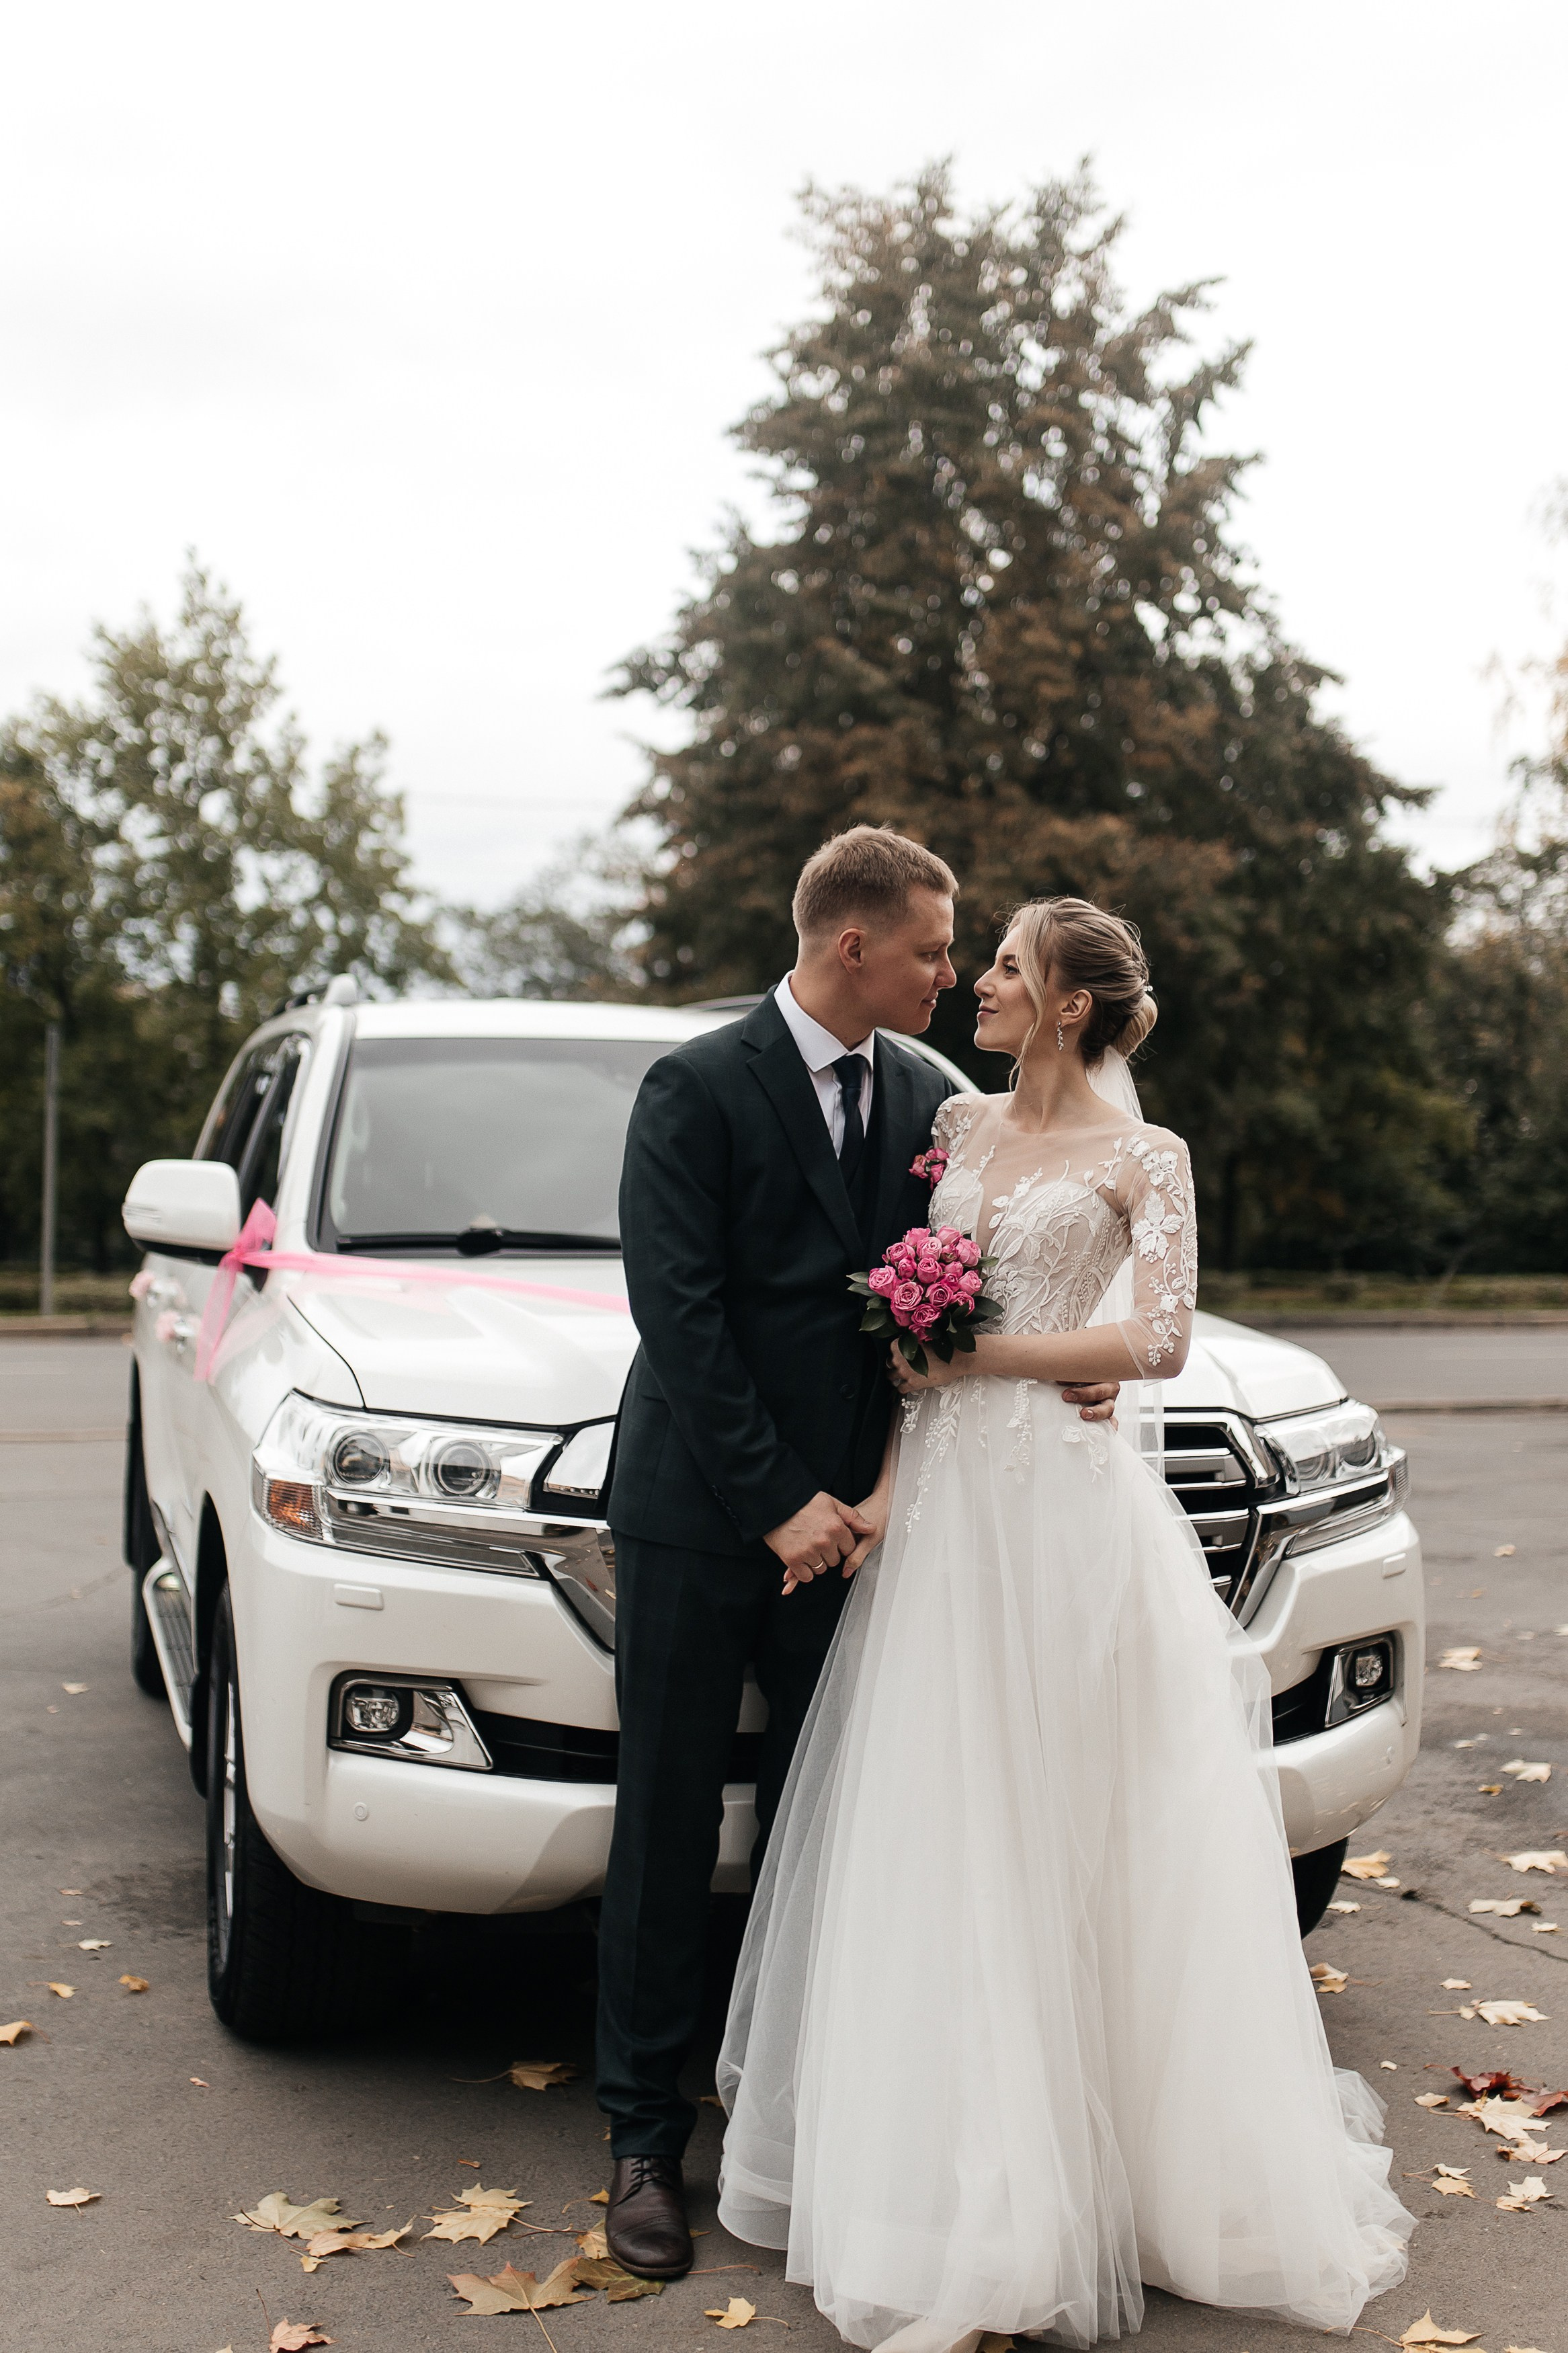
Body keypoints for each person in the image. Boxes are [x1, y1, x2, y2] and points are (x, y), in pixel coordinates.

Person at [716, 898, 1415, 2351]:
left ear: (1073, 1006)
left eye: (1010, 967)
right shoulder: (956, 1132)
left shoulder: (1144, 1155)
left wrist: (986, 1359)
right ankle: (966, 2196)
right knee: (949, 1830)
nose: (978, 979)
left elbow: (1157, 1336)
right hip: (954, 1518)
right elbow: (914, 1340)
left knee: (1078, 1832)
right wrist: (895, 1481)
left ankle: (1115, 2179)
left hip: (1064, 1517)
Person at [597, 834, 1121, 2278]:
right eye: (934, 950)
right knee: (662, 1820)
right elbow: (680, 1313)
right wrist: (779, 1500)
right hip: (708, 1518)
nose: (952, 975)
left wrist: (1089, 1371)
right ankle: (643, 2141)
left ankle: (795, 2119)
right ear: (852, 949)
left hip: (877, 1525)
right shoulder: (693, 1088)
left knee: (828, 1828)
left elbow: (990, 1276)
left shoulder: (934, 1104)